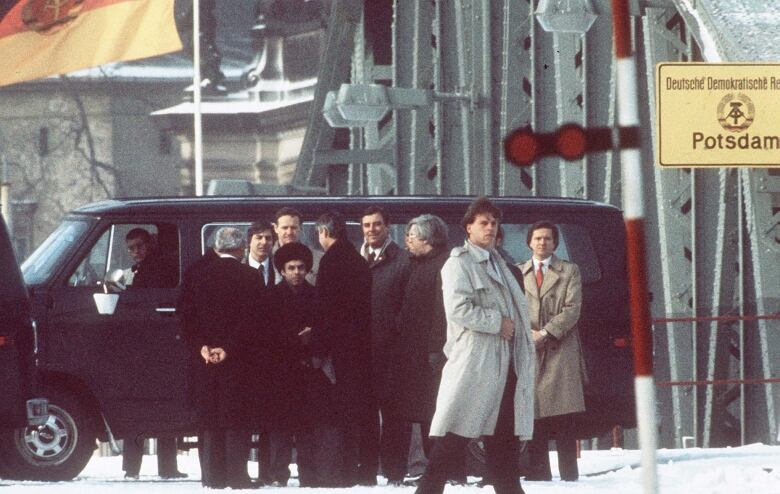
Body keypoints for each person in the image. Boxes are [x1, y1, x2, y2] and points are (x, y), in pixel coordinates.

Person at [415, 197, 534, 494]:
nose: (490, 228)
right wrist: (497, 323)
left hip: (505, 363)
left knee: (502, 439)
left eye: (494, 223)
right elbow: (458, 309)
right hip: (475, 362)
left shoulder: (500, 264)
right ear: (469, 227)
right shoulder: (459, 263)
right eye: (483, 222)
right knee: (454, 434)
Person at [180, 227, 261, 489]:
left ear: (216, 248)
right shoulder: (251, 276)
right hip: (238, 361)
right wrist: (227, 348)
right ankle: (237, 477)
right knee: (236, 417)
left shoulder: (196, 276)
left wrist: (202, 346)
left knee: (209, 417)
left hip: (204, 360)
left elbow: (186, 318)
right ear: (240, 249)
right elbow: (251, 321)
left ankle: (212, 478)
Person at [391, 214, 469, 482]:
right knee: (426, 413)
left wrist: (437, 351)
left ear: (426, 238)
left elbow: (443, 311)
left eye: (411, 236)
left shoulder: (445, 265)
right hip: (418, 354)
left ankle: (449, 472)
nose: (407, 241)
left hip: (435, 355)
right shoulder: (419, 264)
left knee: (439, 412)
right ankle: (436, 470)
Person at [265, 242, 341, 487]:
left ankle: (309, 475)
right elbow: (264, 335)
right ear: (282, 270)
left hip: (309, 371)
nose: (297, 272)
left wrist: (315, 340)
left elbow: (329, 330)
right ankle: (278, 475)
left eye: (301, 268)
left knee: (308, 428)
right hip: (281, 373)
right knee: (281, 429)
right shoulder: (271, 298)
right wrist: (294, 339)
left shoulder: (317, 296)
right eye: (291, 268)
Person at [519, 221, 585, 482]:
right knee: (533, 414)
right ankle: (539, 473)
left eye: (547, 239)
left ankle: (569, 475)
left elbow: (572, 309)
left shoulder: (570, 271)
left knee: (563, 415)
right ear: (529, 242)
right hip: (529, 348)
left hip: (560, 348)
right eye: (537, 238)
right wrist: (528, 335)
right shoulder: (519, 272)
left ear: (555, 243)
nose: (542, 243)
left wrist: (545, 333)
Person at [312, 211, 373, 486]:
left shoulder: (329, 262)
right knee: (356, 410)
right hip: (359, 347)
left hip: (336, 350)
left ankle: (337, 472)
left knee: (336, 412)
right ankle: (355, 469)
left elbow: (325, 311)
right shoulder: (359, 262)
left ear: (325, 232)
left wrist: (317, 348)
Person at [121, 228, 185, 480]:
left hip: (147, 346)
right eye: (131, 248)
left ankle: (132, 466)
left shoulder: (151, 270)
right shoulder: (148, 268)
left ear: (151, 244)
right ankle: (166, 466)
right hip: (157, 346)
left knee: (137, 406)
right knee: (163, 406)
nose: (136, 252)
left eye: (140, 246)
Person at [358, 206, 411, 486]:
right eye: (366, 225)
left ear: (387, 226)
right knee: (365, 415)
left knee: (394, 416)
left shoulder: (402, 261)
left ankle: (395, 473)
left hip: (391, 353)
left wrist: (395, 333)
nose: (371, 230)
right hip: (362, 353)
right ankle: (366, 472)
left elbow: (408, 306)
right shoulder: (356, 259)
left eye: (377, 224)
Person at [272, 207, 323, 284]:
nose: (289, 232)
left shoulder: (319, 259)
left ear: (301, 228)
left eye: (293, 228)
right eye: (285, 228)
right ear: (276, 228)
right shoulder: (266, 258)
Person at [246, 222, 276, 289]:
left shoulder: (278, 267)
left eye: (268, 238)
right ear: (249, 242)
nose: (264, 242)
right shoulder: (239, 267)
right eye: (259, 237)